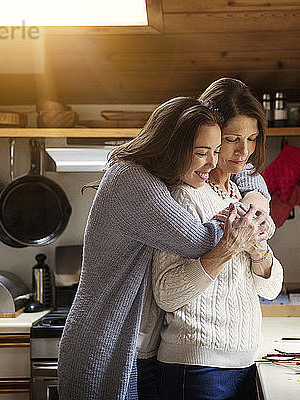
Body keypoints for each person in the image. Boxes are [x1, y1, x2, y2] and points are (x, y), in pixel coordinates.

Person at [58, 96, 273, 400]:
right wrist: (244, 221)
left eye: (215, 151)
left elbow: (245, 174)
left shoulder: (163, 176)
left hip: (139, 344)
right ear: (173, 147)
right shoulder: (133, 180)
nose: (212, 163)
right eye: (202, 152)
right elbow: (197, 240)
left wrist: (254, 203)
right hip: (107, 341)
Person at [151, 78, 283, 400]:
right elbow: (166, 294)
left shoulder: (236, 193)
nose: (244, 152)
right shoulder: (183, 198)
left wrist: (257, 248)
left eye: (251, 139)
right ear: (208, 135)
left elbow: (270, 287)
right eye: (232, 139)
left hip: (244, 360)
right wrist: (229, 247)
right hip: (195, 366)